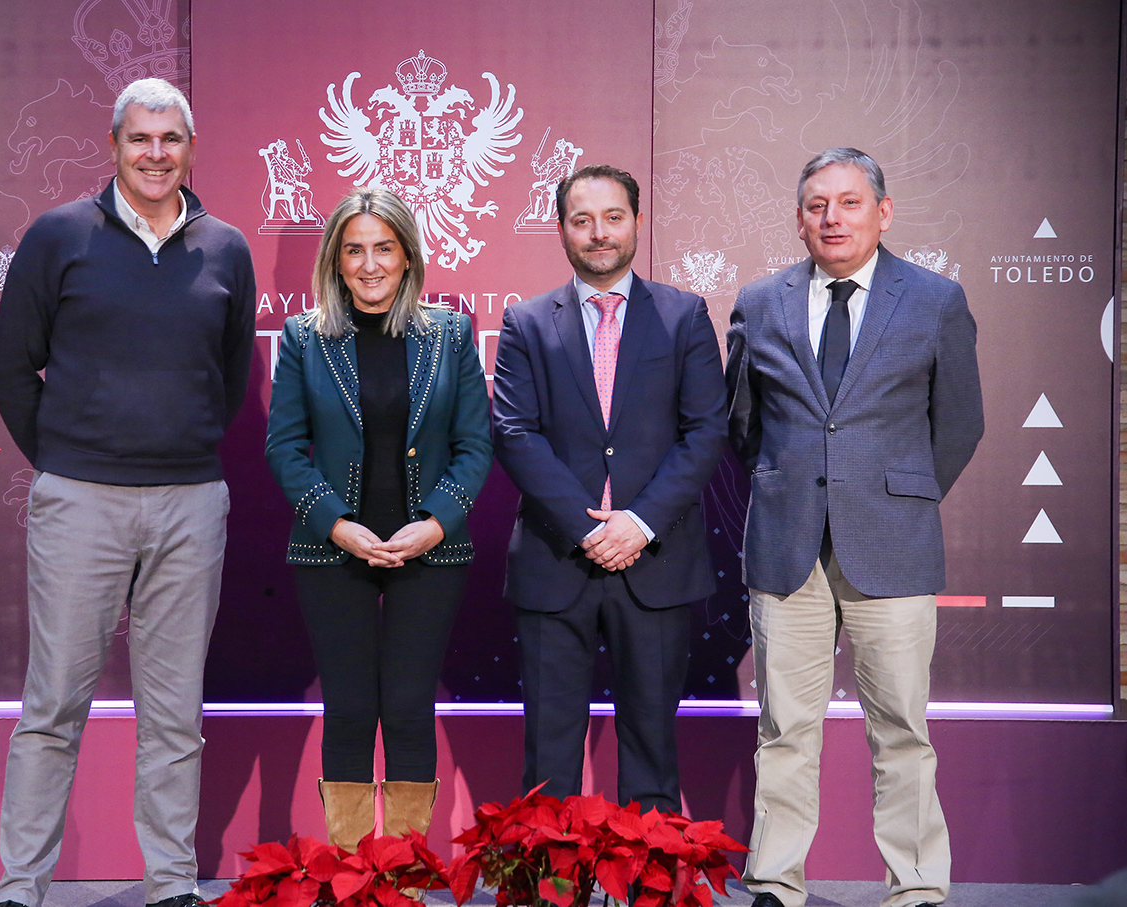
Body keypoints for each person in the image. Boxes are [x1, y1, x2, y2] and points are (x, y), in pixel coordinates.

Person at [0, 77, 256, 907]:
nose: (154, 153)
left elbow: (233, 377)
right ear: (112, 145)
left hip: (189, 503)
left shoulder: (226, 249)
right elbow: (9, 370)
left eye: (170, 139)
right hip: (81, 502)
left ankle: (171, 884)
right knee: (53, 704)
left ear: (190, 148)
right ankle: (19, 888)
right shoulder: (58, 235)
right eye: (140, 139)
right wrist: (68, 459)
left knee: (174, 714)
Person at [725, 147, 983, 907]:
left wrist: (897, 493)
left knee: (900, 728)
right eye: (816, 204)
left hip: (892, 545)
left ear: (882, 211)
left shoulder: (934, 299)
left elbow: (959, 424)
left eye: (846, 202)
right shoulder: (759, 300)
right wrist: (793, 484)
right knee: (783, 728)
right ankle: (774, 880)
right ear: (799, 216)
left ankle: (914, 886)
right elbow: (743, 422)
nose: (830, 217)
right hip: (785, 545)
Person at [491, 164, 727, 814]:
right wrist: (589, 526)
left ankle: (647, 886)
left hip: (655, 560)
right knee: (548, 752)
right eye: (581, 219)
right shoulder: (527, 322)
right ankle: (550, 888)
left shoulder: (683, 316)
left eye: (612, 217)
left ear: (637, 222)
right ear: (562, 228)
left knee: (652, 749)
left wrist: (638, 523)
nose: (598, 233)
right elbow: (513, 432)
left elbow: (704, 430)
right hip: (555, 557)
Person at [265, 186, 492, 850]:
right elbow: (284, 445)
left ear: (407, 257)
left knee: (407, 708)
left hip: (431, 550)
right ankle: (350, 876)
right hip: (332, 549)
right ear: (336, 261)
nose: (369, 264)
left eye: (383, 249)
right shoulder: (305, 337)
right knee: (350, 709)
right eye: (354, 250)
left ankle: (403, 877)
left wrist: (434, 522)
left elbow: (475, 445)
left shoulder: (450, 334)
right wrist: (337, 523)